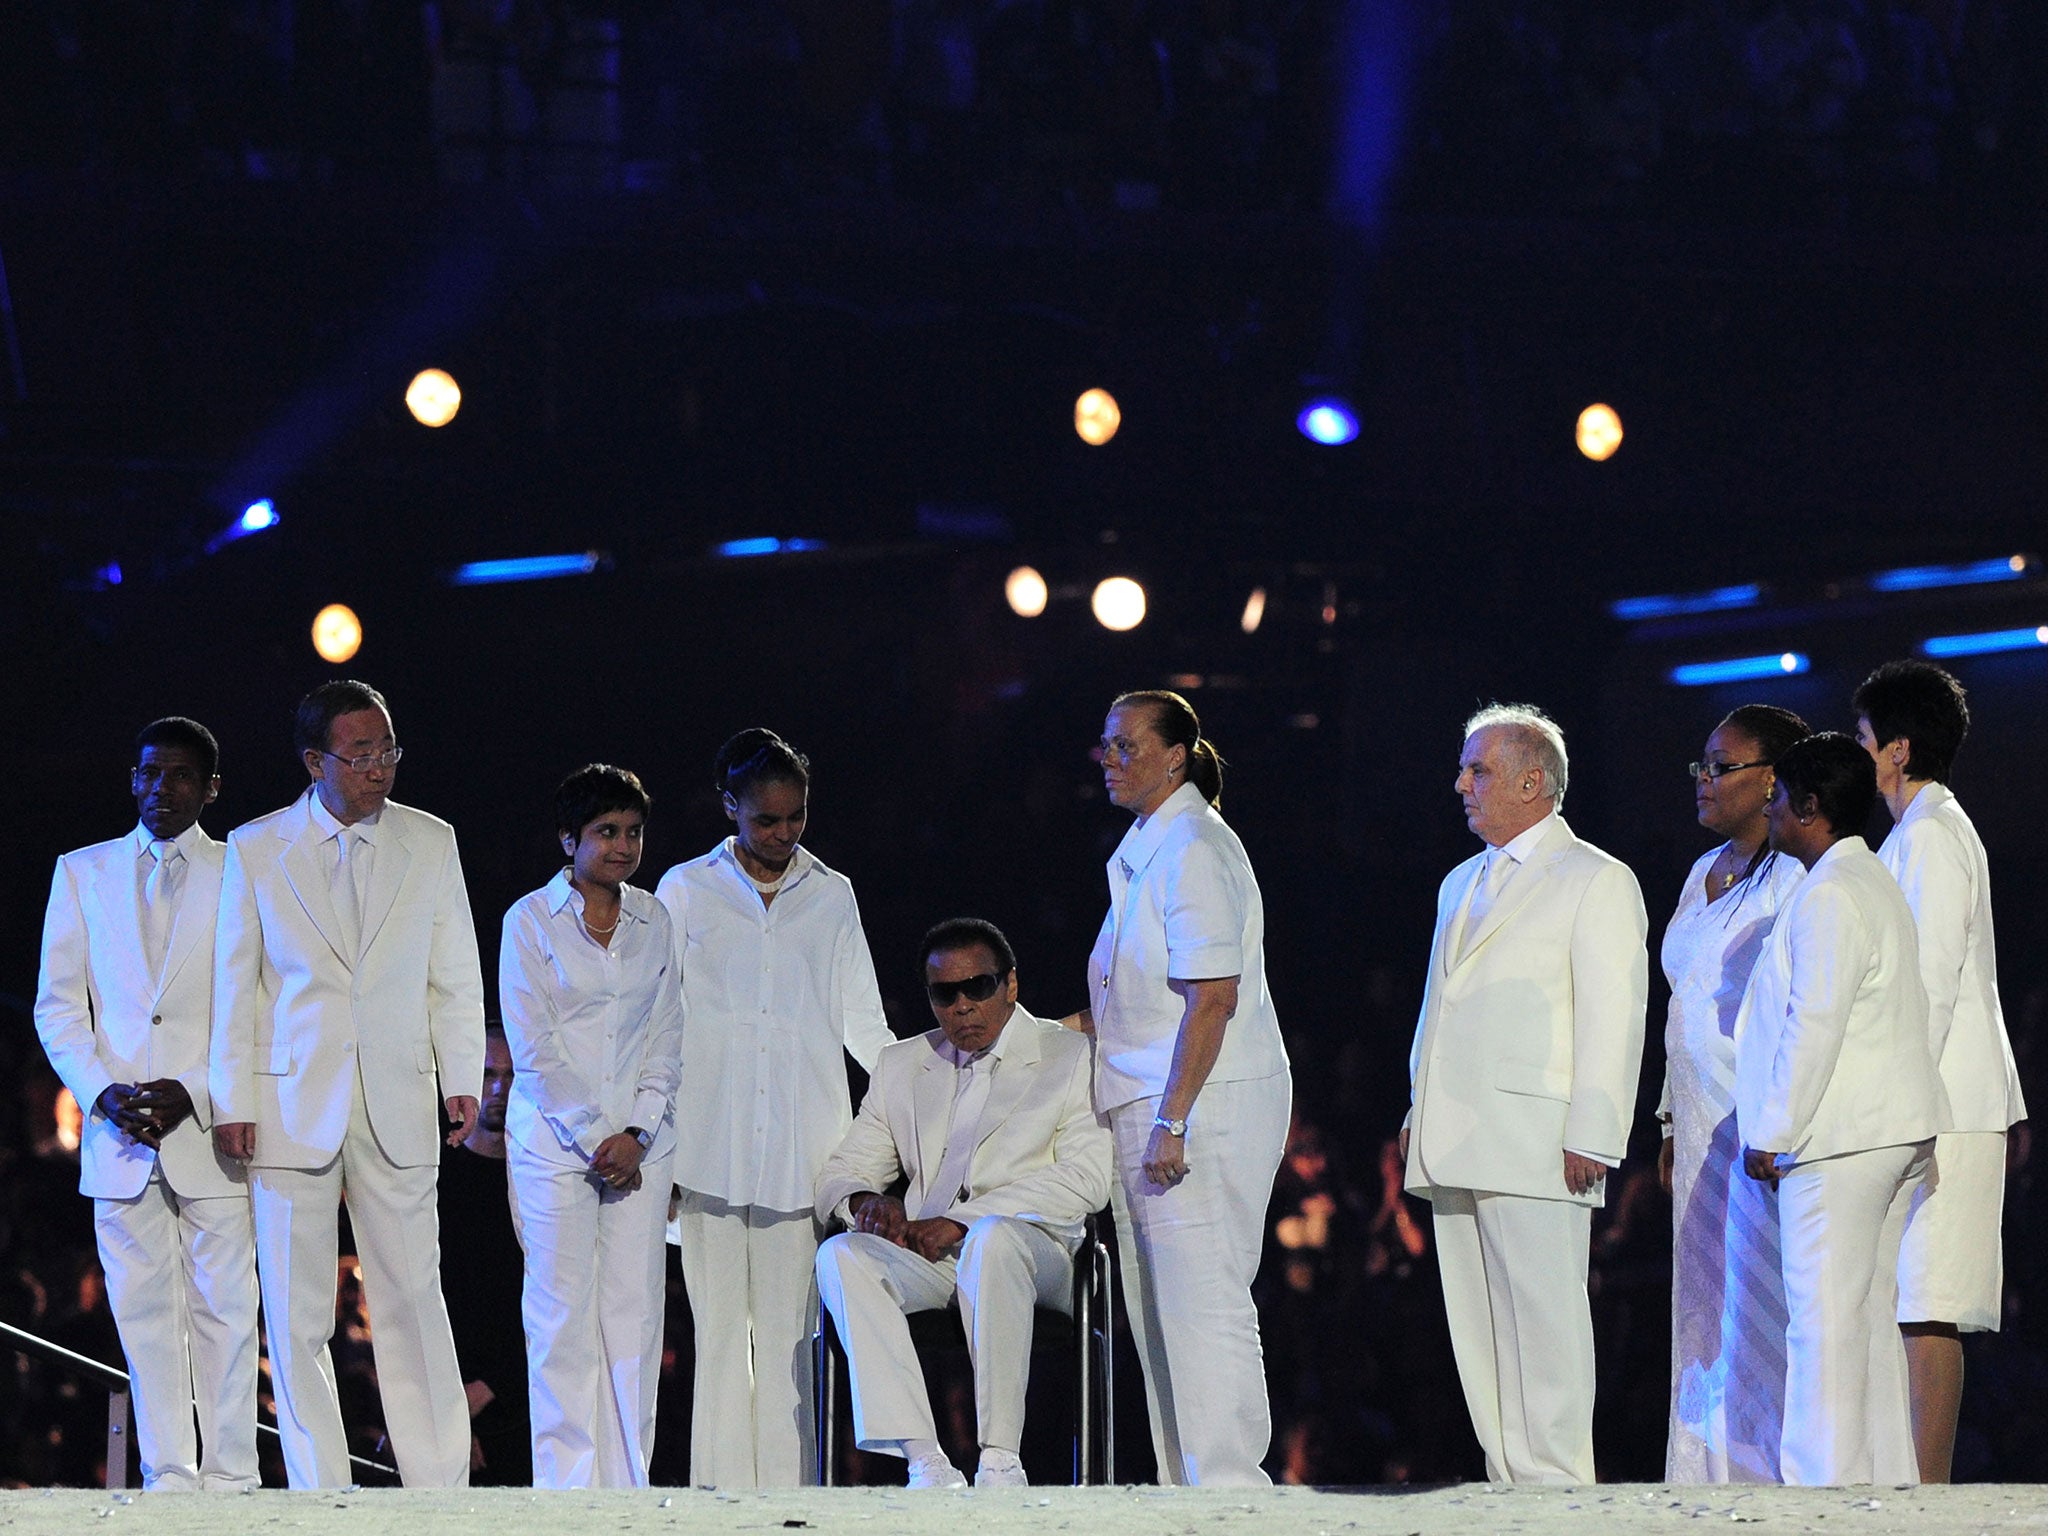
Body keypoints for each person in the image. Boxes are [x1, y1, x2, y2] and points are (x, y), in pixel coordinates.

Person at [210, 679, 486, 1488]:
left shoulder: (431, 841)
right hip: (288, 1101)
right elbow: (237, 986)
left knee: (412, 1296)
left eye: (388, 749)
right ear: (314, 760)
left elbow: (455, 974)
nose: (378, 767)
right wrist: (231, 1100)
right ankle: (319, 1489)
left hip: (400, 1095)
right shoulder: (256, 848)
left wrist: (461, 1075)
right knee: (298, 1317)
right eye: (359, 753)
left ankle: (437, 1487)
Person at [1401, 703, 1648, 1485]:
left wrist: (1595, 1133)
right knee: (1478, 1329)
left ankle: (1561, 1489)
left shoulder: (1597, 879)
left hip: (1542, 1138)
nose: (1461, 784)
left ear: (1532, 780)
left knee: (1544, 1324)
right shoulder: (1458, 883)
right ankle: (1511, 1483)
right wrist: (1419, 1109)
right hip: (1459, 1131)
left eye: (1479, 770)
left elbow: (1615, 1014)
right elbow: (1438, 1007)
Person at [654, 728, 894, 1487]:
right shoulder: (685, 889)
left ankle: (791, 1501)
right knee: (720, 1336)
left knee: (794, 1338)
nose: (783, 834)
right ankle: (720, 1497)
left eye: (796, 818)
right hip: (706, 1146)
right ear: (730, 807)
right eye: (766, 820)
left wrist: (925, 1099)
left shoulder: (833, 894)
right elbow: (660, 1018)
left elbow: (865, 1024)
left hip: (803, 1150)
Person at [1069, 690, 1291, 1486]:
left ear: (1174, 757)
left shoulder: (1194, 843)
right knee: (1161, 1311)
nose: (1110, 760)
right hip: (1151, 1103)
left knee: (1203, 1299)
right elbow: (1124, 1008)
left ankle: (1232, 1490)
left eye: (1127, 746)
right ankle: (1185, 1495)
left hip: (1198, 1105)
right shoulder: (1146, 851)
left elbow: (1214, 996)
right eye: (1105, 745)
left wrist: (1174, 1120)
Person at [32, 717, 260, 1492]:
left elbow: (259, 1006)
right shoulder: (81, 872)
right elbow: (58, 1009)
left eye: (182, 776)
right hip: (118, 1131)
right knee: (144, 1317)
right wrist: (103, 1092)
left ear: (212, 787)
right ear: (132, 779)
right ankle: (171, 1475)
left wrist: (193, 1088)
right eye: (150, 774)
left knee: (226, 1314)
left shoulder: (245, 873)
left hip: (214, 1125)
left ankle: (232, 1479)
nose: (163, 789)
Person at [814, 918, 1112, 1488]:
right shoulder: (902, 1064)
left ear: (1011, 986)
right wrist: (864, 1201)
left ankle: (1000, 1459)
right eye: (945, 994)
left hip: (1036, 1254)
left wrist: (960, 1221)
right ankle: (925, 1459)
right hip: (934, 1256)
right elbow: (843, 1171)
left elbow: (1087, 1179)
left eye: (978, 987)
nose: (962, 1006)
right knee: (842, 1256)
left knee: (994, 1238)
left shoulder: (1068, 1055)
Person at [1733, 731, 1947, 1486]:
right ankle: (1886, 1492)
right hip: (1887, 1132)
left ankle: (1820, 1500)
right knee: (1861, 1323)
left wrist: (1771, 1132)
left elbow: (1813, 1022)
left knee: (1823, 1326)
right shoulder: (1867, 879)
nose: (1774, 813)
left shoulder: (1829, 892)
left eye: (1781, 799)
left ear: (1812, 807)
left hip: (1842, 1139)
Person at [1853, 661, 2027, 1483]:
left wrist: (1896, 1101)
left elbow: (1926, 981)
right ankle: (1909, 1485)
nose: (1859, 758)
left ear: (1896, 749)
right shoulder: (1919, 833)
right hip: (1932, 1096)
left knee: (1930, 1302)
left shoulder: (1932, 836)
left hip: (1943, 1101)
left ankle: (1930, 1496)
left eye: (1862, 741)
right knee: (1910, 1301)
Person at [500, 765, 684, 1488]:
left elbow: (667, 1034)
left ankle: (629, 1491)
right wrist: (595, 1136)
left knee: (635, 1320)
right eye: (607, 832)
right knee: (561, 1320)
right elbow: (535, 1047)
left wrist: (636, 1133)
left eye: (633, 832)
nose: (623, 846)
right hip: (553, 1146)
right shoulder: (528, 921)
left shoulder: (656, 919)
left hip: (642, 1147)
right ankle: (569, 1497)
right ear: (568, 839)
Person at [1657, 704, 1809, 1482]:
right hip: (1697, 1120)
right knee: (1702, 1306)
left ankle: (1763, 1476)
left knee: (1759, 1304)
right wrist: (1667, 1119)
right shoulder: (1701, 871)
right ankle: (1701, 1476)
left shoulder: (1796, 879)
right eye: (1702, 766)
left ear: (1774, 778)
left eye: (1723, 766)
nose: (1705, 780)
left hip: (1756, 1126)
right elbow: (1685, 998)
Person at [438, 1025, 532, 1486]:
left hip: (522, 1403)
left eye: (512, 1075)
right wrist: (452, 1404)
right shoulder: (435, 1180)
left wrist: (486, 1390)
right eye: (488, 1073)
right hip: (439, 1395)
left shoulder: (538, 1185)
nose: (500, 1088)